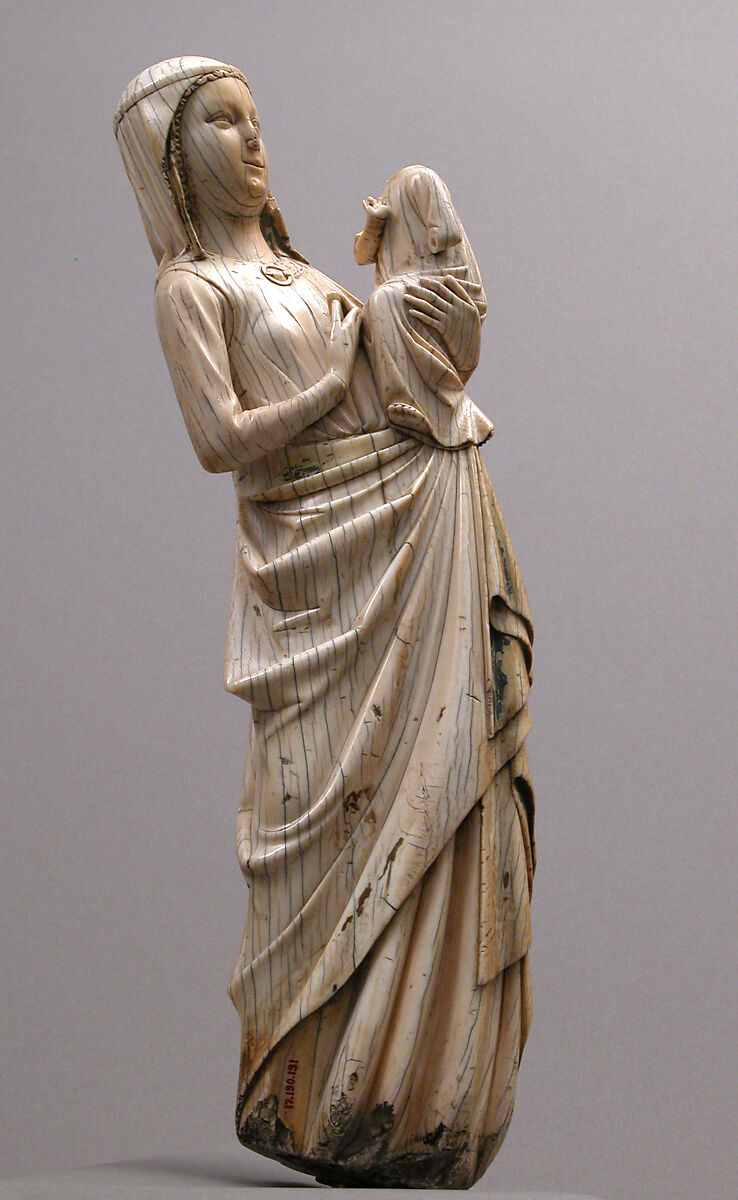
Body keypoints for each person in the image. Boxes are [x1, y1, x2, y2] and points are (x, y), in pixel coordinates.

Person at [115, 57, 535, 1189]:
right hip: (318, 573)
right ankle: (317, 1090)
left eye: (256, 118)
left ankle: (431, 1090)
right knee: (327, 816)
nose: (254, 140)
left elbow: (398, 373)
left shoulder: (302, 270)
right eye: (223, 123)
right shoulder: (193, 289)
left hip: (417, 527)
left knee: (448, 780)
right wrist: (339, 366)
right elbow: (221, 439)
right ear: (173, 155)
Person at [355, 164, 494, 448]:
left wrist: (418, 248)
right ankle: (400, 396)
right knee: (365, 315)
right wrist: (375, 222)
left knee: (384, 300)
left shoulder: (421, 179)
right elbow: (362, 255)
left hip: (440, 283)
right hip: (405, 285)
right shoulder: (388, 193)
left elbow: (447, 233)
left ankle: (417, 401)